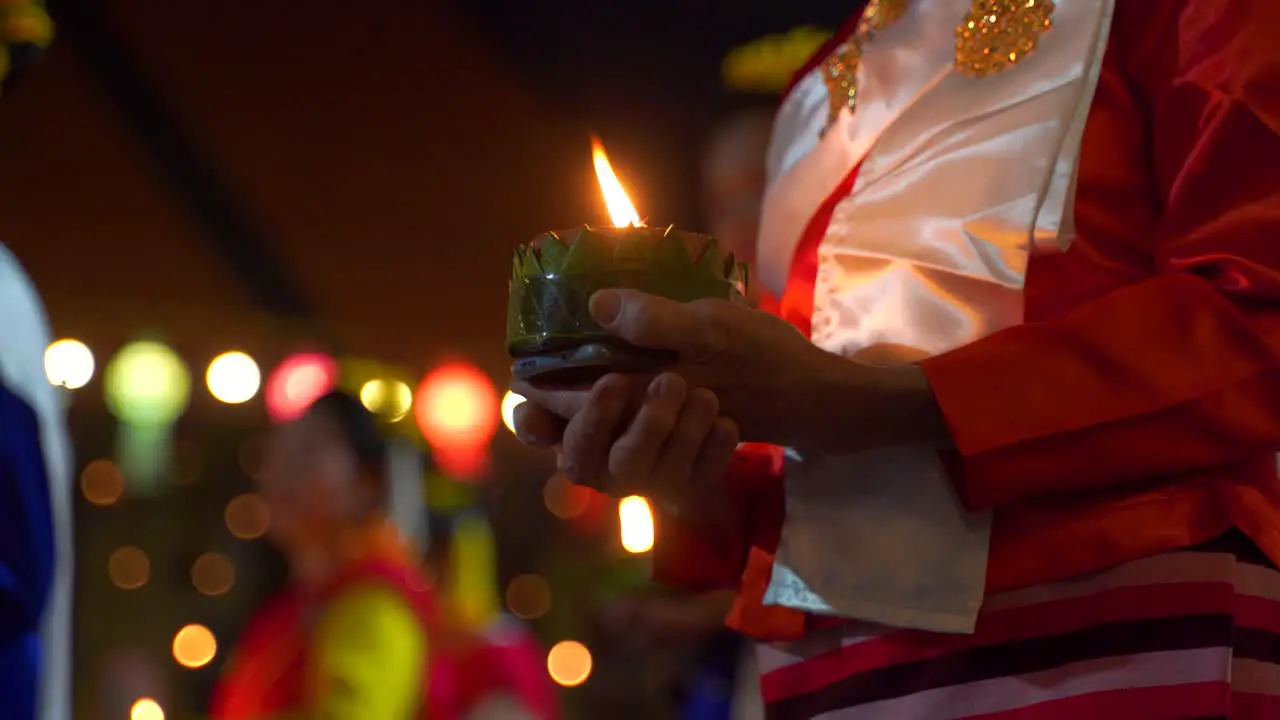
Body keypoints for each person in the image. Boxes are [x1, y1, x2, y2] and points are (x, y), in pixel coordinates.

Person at [514, 0, 1280, 717]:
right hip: (836, 667)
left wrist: (877, 401)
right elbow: (805, 472)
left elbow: (1257, 319)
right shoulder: (823, 82)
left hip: (1117, 637)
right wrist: (686, 458)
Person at [211, 390, 448, 719]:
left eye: (308, 449)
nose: (283, 469)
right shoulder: (289, 613)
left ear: (367, 484)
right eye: (278, 451)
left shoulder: (377, 606)